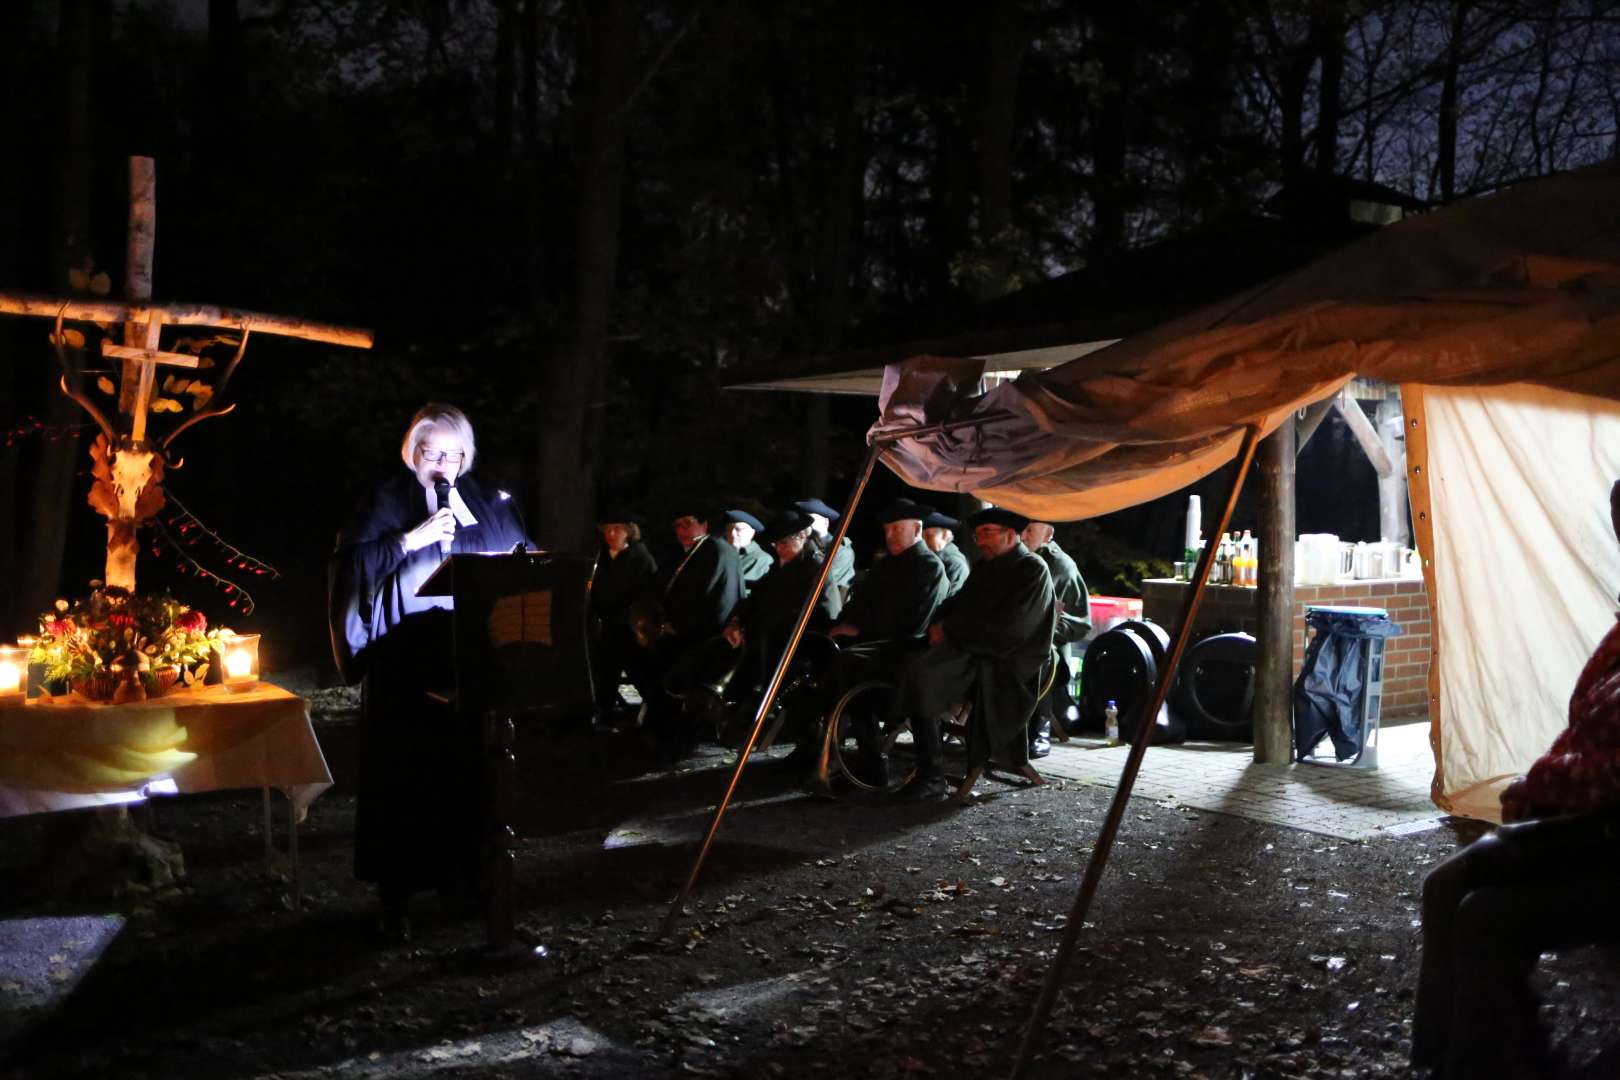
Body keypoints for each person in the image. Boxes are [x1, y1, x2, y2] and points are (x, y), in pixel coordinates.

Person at [1411, 480, 1620, 1079]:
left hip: (1604, 839)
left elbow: (1606, 771)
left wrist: (1541, 793)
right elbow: (1584, 734)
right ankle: (1451, 1061)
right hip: (1586, 826)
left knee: (1481, 910)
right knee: (1448, 889)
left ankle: (1498, 1062)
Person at [330, 403, 533, 942]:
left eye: (452, 453)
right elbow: (353, 568)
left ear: (465, 457)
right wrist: (410, 541)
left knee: (467, 771)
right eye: (430, 452)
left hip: (466, 655)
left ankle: (462, 882)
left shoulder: (488, 502)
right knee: (404, 776)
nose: (441, 463)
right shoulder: (385, 498)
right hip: (405, 657)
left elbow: (523, 557)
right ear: (412, 453)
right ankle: (395, 895)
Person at [889, 506, 1056, 801]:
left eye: (987, 534)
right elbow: (958, 602)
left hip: (1006, 662)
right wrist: (938, 623)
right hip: (972, 648)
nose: (980, 542)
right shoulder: (984, 567)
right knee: (903, 656)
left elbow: (1012, 630)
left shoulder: (1032, 570)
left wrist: (951, 630)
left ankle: (932, 776)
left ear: (1010, 534)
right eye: (978, 535)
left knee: (923, 675)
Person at [630, 503, 745, 763]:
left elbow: (715, 600)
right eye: (678, 525)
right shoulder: (687, 552)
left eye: (688, 523)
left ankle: (675, 743)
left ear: (704, 524)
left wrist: (679, 626)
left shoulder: (716, 551)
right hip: (677, 633)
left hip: (706, 636)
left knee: (678, 678)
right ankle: (655, 733)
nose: (682, 530)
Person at [721, 511, 842, 711]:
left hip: (798, 639)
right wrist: (737, 622)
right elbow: (757, 598)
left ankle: (756, 699)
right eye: (776, 544)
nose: (778, 549)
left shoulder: (815, 566)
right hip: (766, 632)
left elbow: (825, 610)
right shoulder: (780, 566)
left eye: (783, 543)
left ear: (802, 537)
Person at [1022, 519, 1091, 758]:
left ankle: (1040, 730)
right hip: (1013, 640)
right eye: (1021, 529)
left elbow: (1081, 623)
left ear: (1048, 535)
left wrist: (1043, 630)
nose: (1023, 536)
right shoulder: (1017, 558)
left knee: (1036, 655)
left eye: (1030, 530)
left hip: (1049, 653)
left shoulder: (1061, 567)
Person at [589, 509, 658, 728]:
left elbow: (646, 593)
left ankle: (654, 710)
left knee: (637, 670)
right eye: (607, 529)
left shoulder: (640, 557)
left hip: (630, 626)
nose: (611, 533)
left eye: (616, 528)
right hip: (605, 625)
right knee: (605, 672)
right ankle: (603, 710)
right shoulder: (600, 555)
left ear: (628, 531)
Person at [793, 496, 856, 602]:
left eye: (810, 519)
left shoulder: (841, 551)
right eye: (803, 519)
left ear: (825, 522)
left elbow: (824, 580)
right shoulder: (801, 543)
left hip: (825, 606)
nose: (805, 524)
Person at [922, 510, 970, 598]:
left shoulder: (954, 563)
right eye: (922, 537)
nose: (924, 542)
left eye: (929, 536)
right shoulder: (930, 558)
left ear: (944, 535)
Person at [722, 509, 772, 590]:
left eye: (738, 530)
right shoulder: (721, 554)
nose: (733, 534)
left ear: (752, 533)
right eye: (729, 529)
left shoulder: (762, 559)